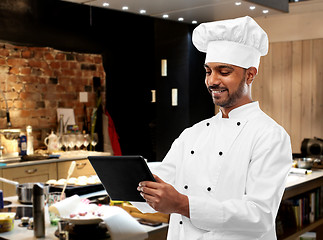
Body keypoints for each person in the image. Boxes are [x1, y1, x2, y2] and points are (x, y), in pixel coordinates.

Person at [136, 16, 292, 240]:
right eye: (208, 71)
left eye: (224, 72)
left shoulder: (270, 135)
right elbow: (159, 184)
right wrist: (132, 184)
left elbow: (260, 215)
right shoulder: (192, 134)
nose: (212, 81)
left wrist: (182, 204)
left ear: (250, 74)